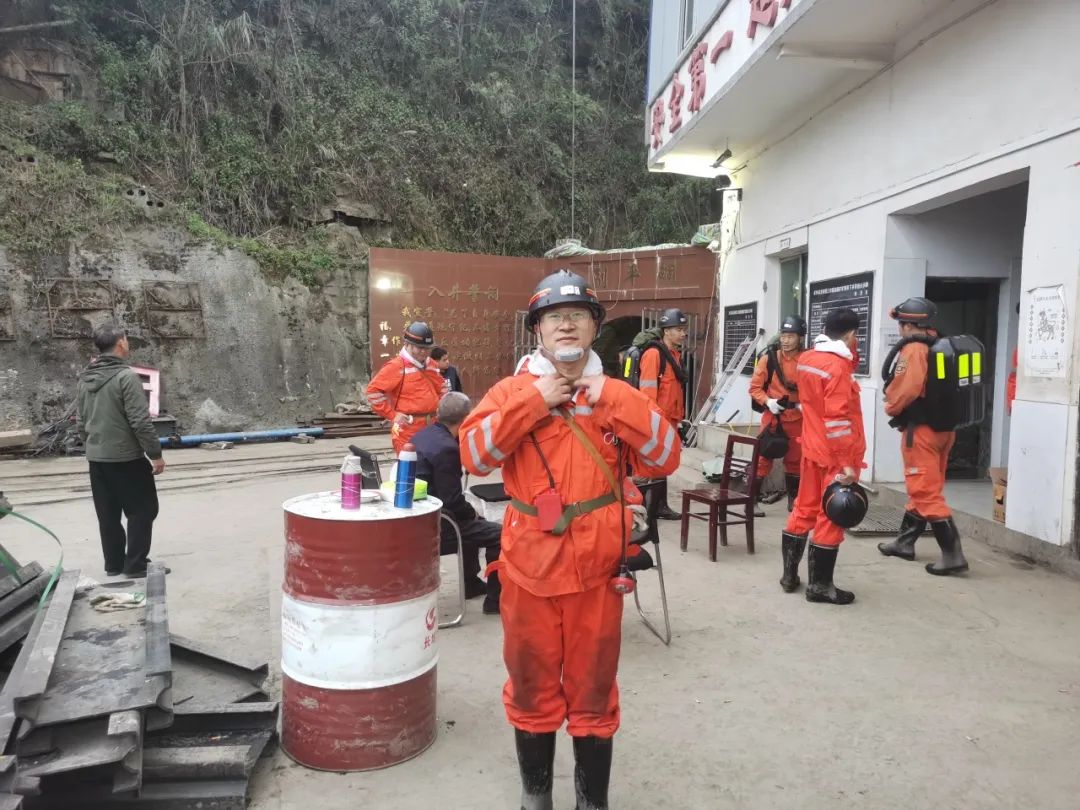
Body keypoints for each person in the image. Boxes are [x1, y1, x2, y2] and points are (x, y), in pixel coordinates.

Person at [459, 269, 680, 810]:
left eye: (577, 316)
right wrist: (533, 402)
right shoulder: (511, 391)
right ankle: (535, 798)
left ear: (593, 327)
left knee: (594, 691)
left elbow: (666, 456)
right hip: (529, 570)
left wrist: (614, 398)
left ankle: (591, 802)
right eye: (554, 317)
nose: (565, 325)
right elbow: (475, 456)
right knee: (531, 686)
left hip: (598, 573)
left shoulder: (617, 393)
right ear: (537, 330)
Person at [877, 297, 969, 575]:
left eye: (900, 324)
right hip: (944, 431)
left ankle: (953, 556)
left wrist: (890, 406)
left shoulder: (914, 349)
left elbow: (907, 389)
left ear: (907, 325)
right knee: (926, 487)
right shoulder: (941, 344)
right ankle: (904, 544)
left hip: (921, 432)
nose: (900, 330)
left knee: (925, 492)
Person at [779, 308, 865, 605]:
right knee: (831, 515)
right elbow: (838, 419)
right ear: (851, 334)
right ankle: (820, 586)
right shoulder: (837, 368)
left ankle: (789, 576)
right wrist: (847, 464)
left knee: (804, 508)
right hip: (835, 456)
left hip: (812, 448)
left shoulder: (807, 360)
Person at [76, 325, 166, 578]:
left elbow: (80, 421)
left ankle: (114, 564)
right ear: (120, 344)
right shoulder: (126, 377)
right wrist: (155, 454)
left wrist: (93, 446)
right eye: (126, 339)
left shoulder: (85, 378)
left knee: (108, 514)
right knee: (143, 509)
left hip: (97, 459)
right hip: (126, 458)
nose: (127, 343)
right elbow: (140, 421)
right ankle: (136, 564)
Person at [413, 392, 501, 614]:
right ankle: (495, 600)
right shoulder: (447, 449)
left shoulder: (423, 435)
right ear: (466, 419)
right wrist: (472, 513)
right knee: (499, 534)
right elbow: (452, 500)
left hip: (419, 517)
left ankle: (471, 584)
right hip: (436, 526)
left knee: (475, 522)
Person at [749, 315, 807, 511]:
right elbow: (755, 388)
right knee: (763, 458)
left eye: (791, 336)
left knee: (795, 461)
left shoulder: (807, 360)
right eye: (783, 335)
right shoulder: (769, 359)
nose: (786, 340)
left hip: (798, 418)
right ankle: (751, 502)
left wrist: (807, 405)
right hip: (773, 417)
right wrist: (768, 401)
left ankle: (794, 503)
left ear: (800, 338)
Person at [366, 322, 449, 454]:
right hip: (408, 429)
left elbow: (442, 389)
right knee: (409, 464)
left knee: (432, 464)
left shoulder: (431, 364)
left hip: (433, 425)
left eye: (427, 348)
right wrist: (393, 415)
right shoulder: (396, 366)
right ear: (406, 344)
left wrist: (445, 409)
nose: (423, 352)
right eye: (419, 348)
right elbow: (372, 392)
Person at [637, 307, 688, 520]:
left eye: (684, 329)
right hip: (657, 420)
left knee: (663, 463)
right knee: (648, 465)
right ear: (666, 331)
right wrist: (654, 422)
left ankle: (660, 506)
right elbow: (647, 392)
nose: (683, 333)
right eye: (679, 329)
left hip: (671, 419)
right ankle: (641, 509)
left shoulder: (674, 355)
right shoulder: (654, 355)